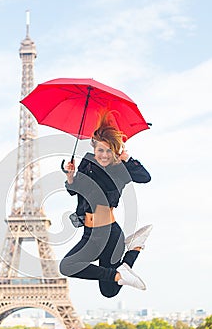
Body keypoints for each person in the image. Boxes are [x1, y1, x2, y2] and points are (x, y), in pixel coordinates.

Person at [59, 110, 152, 298]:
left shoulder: (119, 169)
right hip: (89, 233)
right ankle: (126, 263)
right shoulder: (87, 162)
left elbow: (145, 177)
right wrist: (70, 177)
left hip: (109, 234)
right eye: (100, 150)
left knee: (107, 291)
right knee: (69, 267)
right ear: (94, 149)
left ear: (115, 151)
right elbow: (74, 190)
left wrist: (126, 157)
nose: (104, 155)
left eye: (109, 150)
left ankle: (133, 250)